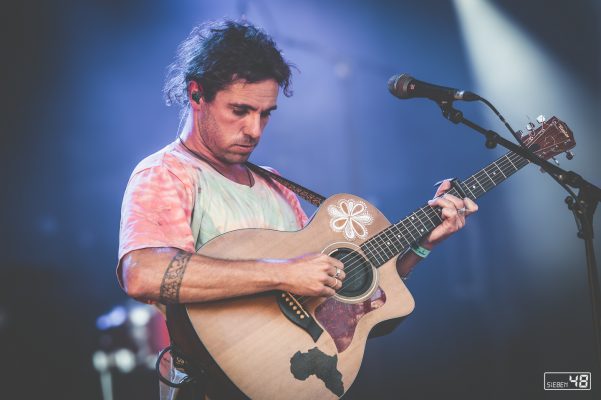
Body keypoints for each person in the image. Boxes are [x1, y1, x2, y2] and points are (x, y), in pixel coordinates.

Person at [117, 19, 478, 399]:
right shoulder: (168, 172)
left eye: (265, 113)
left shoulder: (274, 184)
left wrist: (420, 247)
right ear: (196, 94)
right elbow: (143, 272)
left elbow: (334, 299)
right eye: (239, 110)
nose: (254, 129)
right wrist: (283, 273)